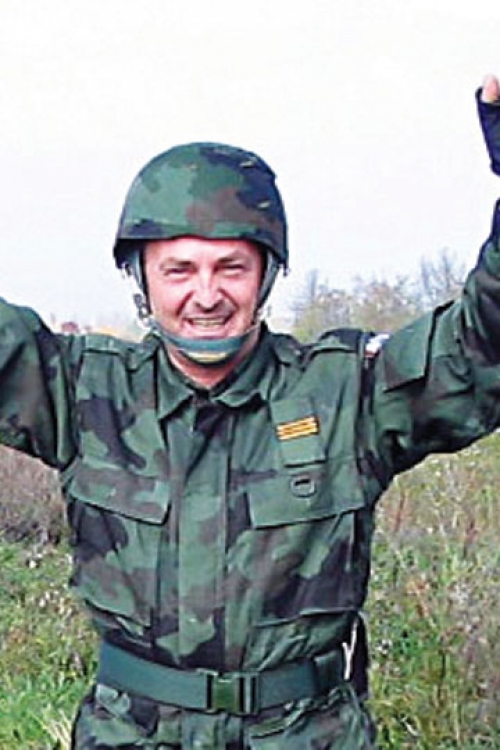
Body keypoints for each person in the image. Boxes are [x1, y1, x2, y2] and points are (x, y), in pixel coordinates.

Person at [2, 76, 500, 750]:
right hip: (131, 734)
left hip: (306, 733)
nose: (206, 295)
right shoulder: (81, 390)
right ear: (142, 279)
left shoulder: (346, 393)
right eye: (179, 270)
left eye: (231, 268)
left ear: (266, 274)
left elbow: (480, 347)